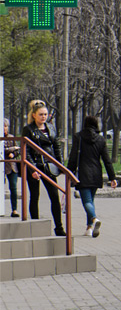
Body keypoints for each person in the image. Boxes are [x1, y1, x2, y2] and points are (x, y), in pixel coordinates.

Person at [21, 100, 65, 236]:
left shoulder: (50, 128)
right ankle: (35, 226)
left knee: (54, 196)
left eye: (45, 114)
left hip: (49, 165)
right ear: (34, 115)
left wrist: (60, 165)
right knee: (35, 196)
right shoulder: (28, 129)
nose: (43, 117)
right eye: (41, 114)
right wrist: (32, 169)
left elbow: (56, 146)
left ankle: (59, 227)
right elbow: (26, 151)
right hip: (35, 165)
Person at [67, 115, 116, 237]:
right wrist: (112, 177)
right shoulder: (101, 139)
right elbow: (107, 160)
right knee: (91, 200)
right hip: (96, 173)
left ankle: (94, 219)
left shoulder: (78, 137)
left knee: (87, 201)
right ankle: (89, 228)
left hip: (83, 173)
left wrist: (69, 172)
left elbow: (73, 156)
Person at [4, 118, 21, 217]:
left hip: (11, 166)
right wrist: (12, 149)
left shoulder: (11, 137)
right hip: (3, 165)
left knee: (13, 188)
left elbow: (18, 149)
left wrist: (13, 153)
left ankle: (14, 209)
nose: (4, 128)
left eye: (6, 126)